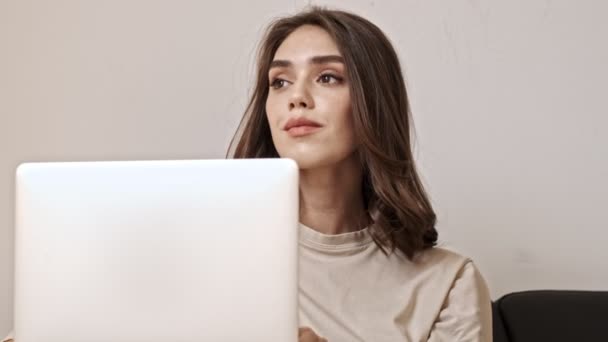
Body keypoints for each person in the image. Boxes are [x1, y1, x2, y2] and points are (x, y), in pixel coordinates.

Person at [3, 6, 492, 342]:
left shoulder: (447, 283)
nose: (296, 97)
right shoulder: (198, 249)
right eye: (279, 82)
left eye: (328, 77)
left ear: (373, 103)